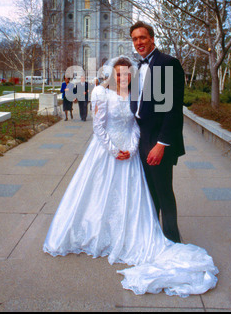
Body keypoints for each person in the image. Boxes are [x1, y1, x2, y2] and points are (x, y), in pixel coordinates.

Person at [43, 56, 218, 297]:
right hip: (106, 151)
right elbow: (98, 128)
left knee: (132, 197)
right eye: (118, 74)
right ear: (111, 75)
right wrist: (114, 150)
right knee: (98, 195)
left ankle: (147, 234)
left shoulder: (135, 96)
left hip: (131, 152)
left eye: (127, 74)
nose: (123, 77)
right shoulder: (101, 94)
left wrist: (133, 147)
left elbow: (138, 125)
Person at [130, 21, 185, 243]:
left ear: (152, 38)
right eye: (134, 39)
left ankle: (172, 240)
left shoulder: (168, 64)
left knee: (163, 191)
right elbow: (136, 104)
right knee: (149, 192)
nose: (139, 42)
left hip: (159, 139)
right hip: (142, 137)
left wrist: (161, 144)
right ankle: (154, 238)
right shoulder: (135, 67)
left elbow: (172, 110)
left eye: (142, 37)